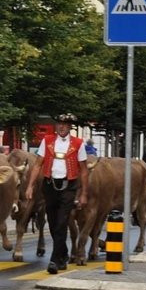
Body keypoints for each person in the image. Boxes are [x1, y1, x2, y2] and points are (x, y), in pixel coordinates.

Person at [25, 113, 88, 274]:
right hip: (49, 185)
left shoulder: (78, 144)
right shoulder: (47, 141)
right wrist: (30, 186)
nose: (62, 127)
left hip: (69, 187)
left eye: (65, 125)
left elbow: (84, 170)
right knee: (53, 223)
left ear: (70, 127)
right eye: (59, 124)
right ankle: (64, 254)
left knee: (61, 222)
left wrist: (83, 194)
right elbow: (38, 165)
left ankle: (54, 260)